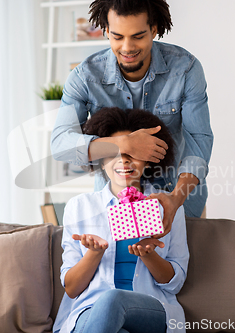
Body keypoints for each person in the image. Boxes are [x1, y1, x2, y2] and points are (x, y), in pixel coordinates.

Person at [51, 0, 213, 236]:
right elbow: (60, 145)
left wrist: (175, 198)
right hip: (114, 204)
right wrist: (123, 144)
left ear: (154, 29)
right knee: (125, 270)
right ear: (106, 30)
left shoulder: (185, 69)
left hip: (179, 198)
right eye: (117, 37)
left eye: (138, 36)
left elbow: (199, 141)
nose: (127, 47)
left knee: (181, 272)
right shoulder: (84, 77)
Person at [52, 107, 189, 333]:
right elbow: (72, 288)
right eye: (113, 152)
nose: (123, 161)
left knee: (112, 300)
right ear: (100, 159)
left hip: (150, 310)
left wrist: (149, 254)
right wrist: (94, 253)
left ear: (148, 159)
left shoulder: (167, 206)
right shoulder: (80, 208)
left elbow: (174, 283)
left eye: (133, 153)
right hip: (89, 311)